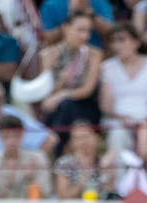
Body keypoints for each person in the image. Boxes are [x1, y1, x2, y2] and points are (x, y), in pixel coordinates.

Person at [38, 10, 104, 153]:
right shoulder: (48, 54)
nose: (85, 36)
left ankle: (58, 151)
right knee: (60, 107)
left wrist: (62, 94)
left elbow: (87, 89)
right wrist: (61, 83)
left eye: (88, 31)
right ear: (65, 28)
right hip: (58, 109)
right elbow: (47, 93)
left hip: (85, 106)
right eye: (80, 30)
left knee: (66, 104)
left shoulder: (94, 54)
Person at [100, 21, 147, 154]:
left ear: (136, 42)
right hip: (117, 120)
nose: (116, 45)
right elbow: (106, 106)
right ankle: (120, 175)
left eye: (122, 40)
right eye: (113, 41)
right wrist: (121, 119)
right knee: (118, 134)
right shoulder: (107, 67)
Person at [0, 114, 54, 200]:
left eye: (16, 136)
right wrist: (9, 182)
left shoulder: (38, 159)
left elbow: (46, 197)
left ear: (22, 135)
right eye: (6, 136)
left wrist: (30, 180)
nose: (11, 141)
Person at [54, 118, 117, 198]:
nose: (83, 141)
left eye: (86, 136)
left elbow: (110, 193)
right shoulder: (64, 163)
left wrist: (106, 172)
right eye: (78, 138)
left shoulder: (103, 161)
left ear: (94, 138)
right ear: (71, 142)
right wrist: (84, 175)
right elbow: (63, 197)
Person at [40, 0, 114, 49]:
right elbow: (48, 39)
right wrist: (71, 14)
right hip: (62, 57)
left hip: (94, 54)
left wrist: (91, 14)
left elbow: (110, 32)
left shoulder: (100, 2)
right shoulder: (50, 5)